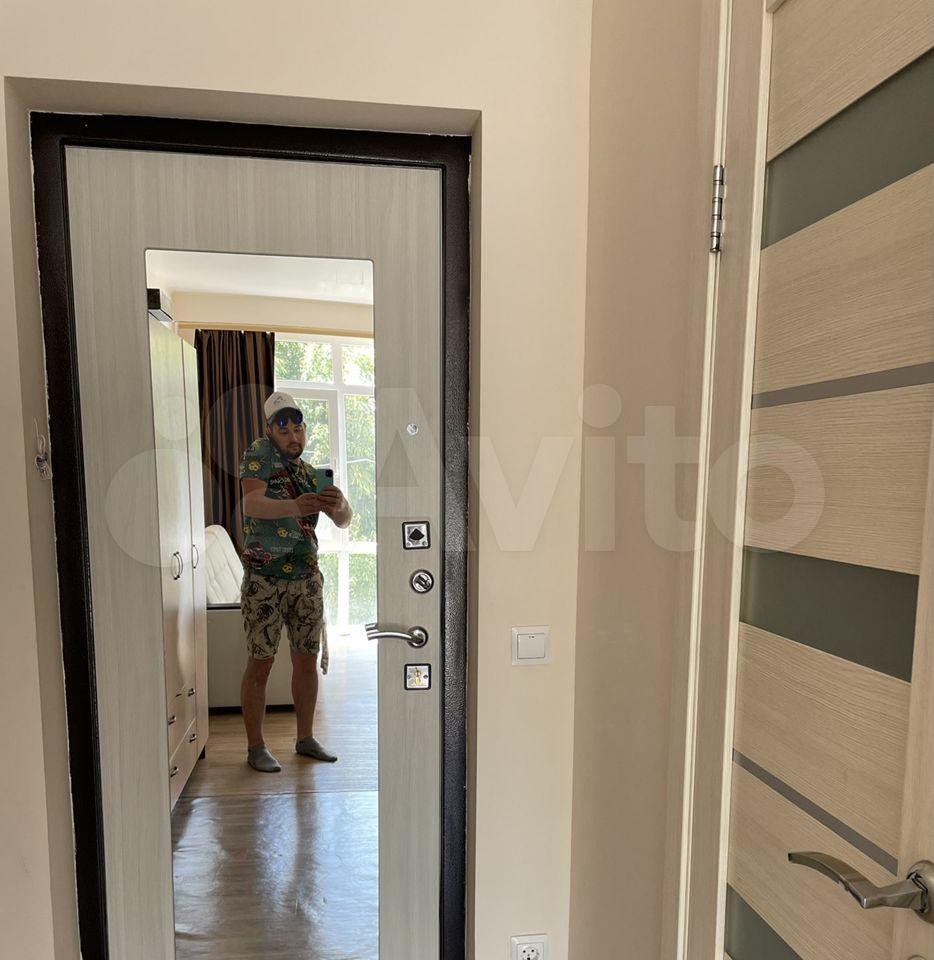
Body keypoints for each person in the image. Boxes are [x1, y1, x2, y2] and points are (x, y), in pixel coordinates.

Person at [238, 390, 353, 773]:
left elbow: (343, 521)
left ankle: (305, 738)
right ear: (270, 430)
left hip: (306, 580)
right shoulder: (258, 454)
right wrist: (295, 505)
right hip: (265, 580)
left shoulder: (308, 473)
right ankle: (255, 747)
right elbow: (252, 504)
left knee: (306, 661)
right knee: (261, 663)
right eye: (283, 427)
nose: (292, 434)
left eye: (298, 427)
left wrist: (338, 504)